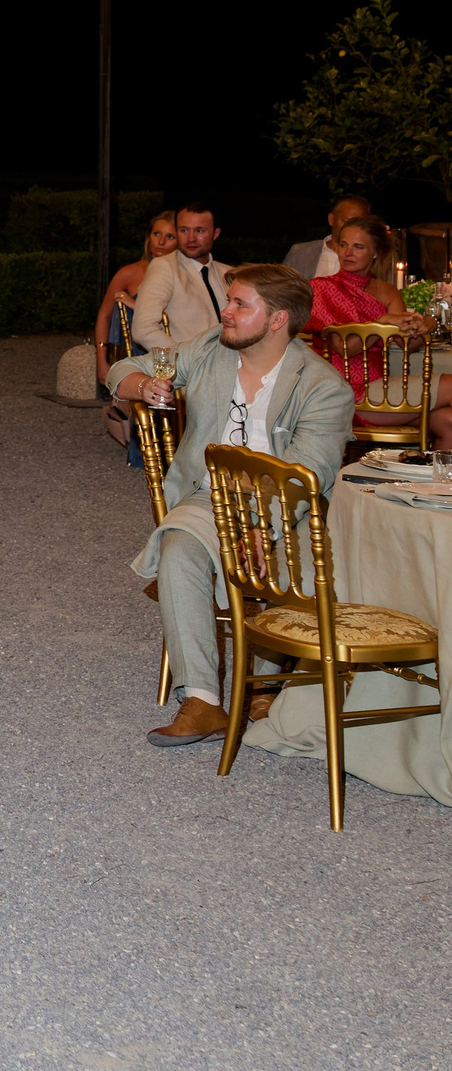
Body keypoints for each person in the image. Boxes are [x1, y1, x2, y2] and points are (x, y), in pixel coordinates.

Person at [110, 266, 353, 745]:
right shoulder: (208, 350)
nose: (227, 311)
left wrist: (263, 528)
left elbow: (310, 475)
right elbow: (128, 366)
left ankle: (264, 679)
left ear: (278, 318)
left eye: (242, 304)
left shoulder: (324, 386)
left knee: (286, 568)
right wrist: (143, 385)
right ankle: (201, 701)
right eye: (230, 301)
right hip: (209, 493)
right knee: (178, 546)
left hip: (288, 506)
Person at [302, 215, 440, 432]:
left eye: (358, 247)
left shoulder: (387, 291)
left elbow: (407, 345)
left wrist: (426, 326)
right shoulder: (320, 288)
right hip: (340, 392)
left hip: (380, 387)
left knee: (448, 421)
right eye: (343, 244)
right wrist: (382, 322)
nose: (347, 253)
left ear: (376, 252)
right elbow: (345, 348)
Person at [131, 202, 231, 353]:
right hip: (190, 370)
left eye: (199, 231)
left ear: (215, 233)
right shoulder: (164, 267)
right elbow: (143, 329)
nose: (191, 238)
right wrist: (184, 359)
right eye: (184, 230)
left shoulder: (228, 272)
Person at [95, 210, 180, 354]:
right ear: (149, 236)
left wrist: (136, 305)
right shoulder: (129, 273)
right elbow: (104, 316)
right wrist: (102, 360)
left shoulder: (186, 275)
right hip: (133, 355)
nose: (161, 242)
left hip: (175, 353)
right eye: (156, 234)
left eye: (170, 236)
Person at [283, 193, 373, 281]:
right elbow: (278, 290)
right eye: (346, 221)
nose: (352, 228)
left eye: (359, 223)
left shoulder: (372, 259)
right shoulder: (300, 253)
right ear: (331, 219)